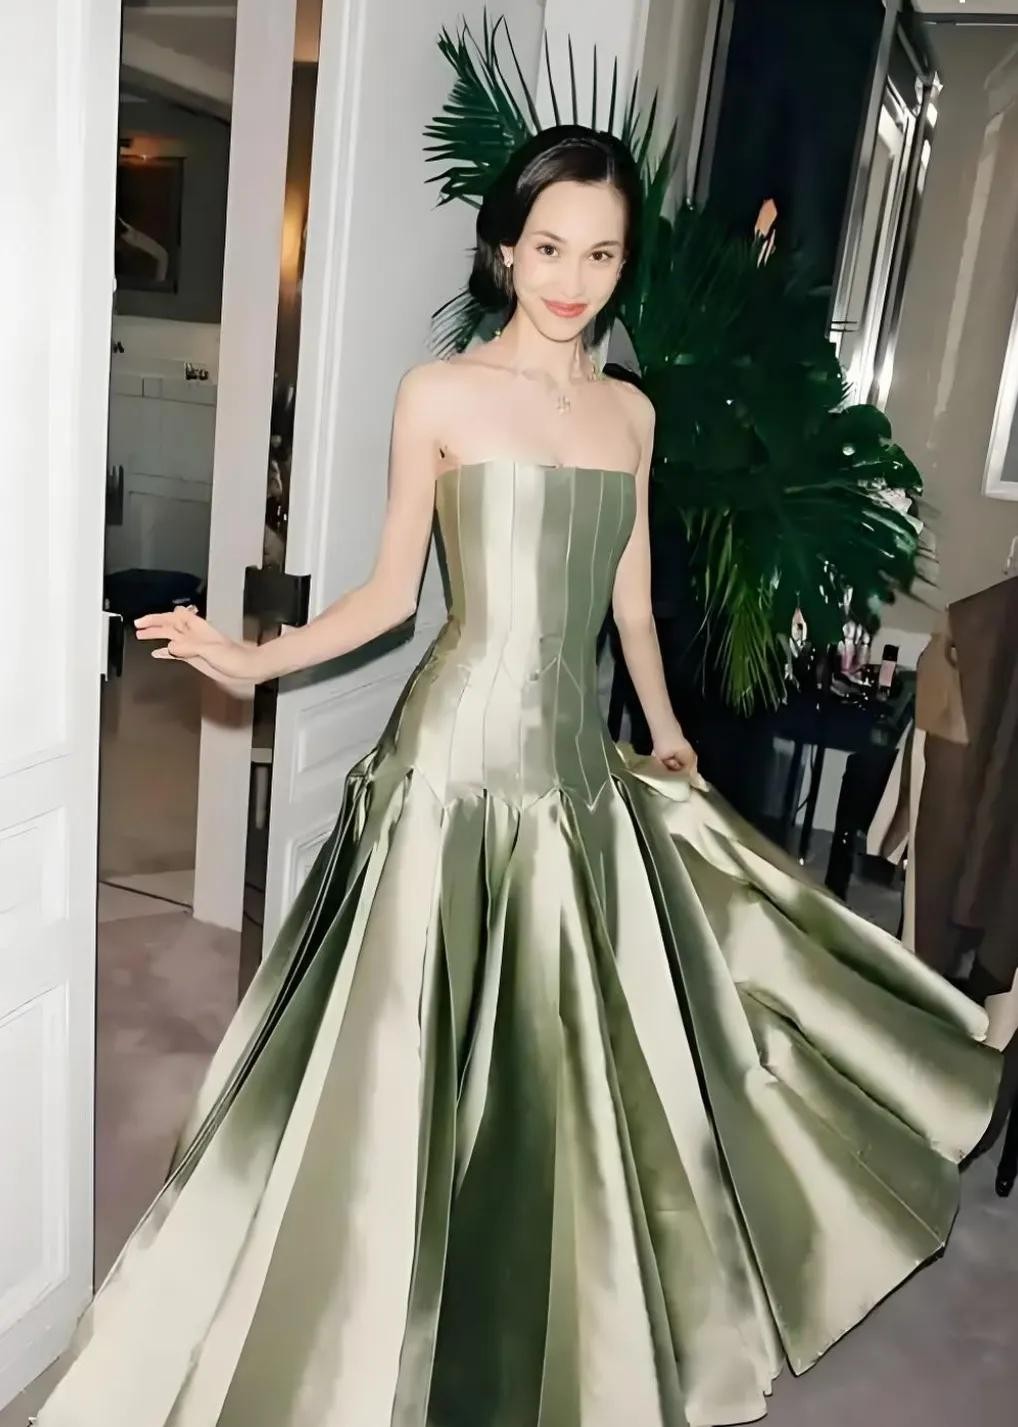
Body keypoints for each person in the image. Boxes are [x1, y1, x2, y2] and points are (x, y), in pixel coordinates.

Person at [33, 125, 1000, 1427]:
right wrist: (254, 661)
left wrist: (668, 732)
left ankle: (542, 1311)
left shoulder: (631, 414)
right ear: (504, 249)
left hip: (573, 768)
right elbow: (391, 596)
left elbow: (631, 606)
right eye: (549, 248)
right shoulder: (439, 394)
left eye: (600, 255)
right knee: (400, 1053)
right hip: (450, 767)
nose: (571, 279)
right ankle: (360, 1324)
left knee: (573, 1046)